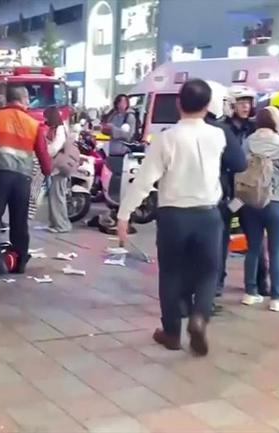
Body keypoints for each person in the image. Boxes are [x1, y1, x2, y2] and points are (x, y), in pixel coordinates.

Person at [116, 79, 226, 356]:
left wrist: (123, 215)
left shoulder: (166, 138)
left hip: (173, 217)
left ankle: (172, 333)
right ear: (208, 105)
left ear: (179, 103)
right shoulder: (218, 136)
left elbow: (144, 181)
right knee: (208, 270)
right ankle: (200, 316)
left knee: (171, 274)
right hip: (208, 214)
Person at [0, 84, 53, 276]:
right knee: (19, 222)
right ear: (24, 99)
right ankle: (19, 262)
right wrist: (47, 172)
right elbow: (43, 154)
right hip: (22, 179)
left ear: (7, 99)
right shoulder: (33, 124)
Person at [240, 107, 279, 312]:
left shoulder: (248, 142)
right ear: (278, 123)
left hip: (250, 202)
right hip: (277, 202)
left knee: (253, 248)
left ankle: (250, 293)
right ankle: (276, 298)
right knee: (275, 250)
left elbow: (240, 170)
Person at [204, 81, 248, 312]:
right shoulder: (221, 131)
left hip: (181, 204)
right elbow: (239, 163)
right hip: (215, 199)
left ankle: (182, 302)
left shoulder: (174, 132)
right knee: (214, 248)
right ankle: (207, 298)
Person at [225, 85, 269, 296]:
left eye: (248, 102)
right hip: (227, 192)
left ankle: (261, 282)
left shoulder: (254, 129)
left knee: (256, 239)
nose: (245, 106)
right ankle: (216, 285)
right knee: (221, 238)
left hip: (249, 191)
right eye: (241, 102)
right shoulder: (221, 128)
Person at [44, 106, 71, 233]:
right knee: (54, 195)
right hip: (55, 166)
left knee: (58, 196)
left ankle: (62, 225)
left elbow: (55, 147)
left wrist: (46, 151)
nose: (45, 119)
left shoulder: (60, 129)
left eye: (46, 117)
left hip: (59, 167)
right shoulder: (55, 128)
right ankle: (55, 223)